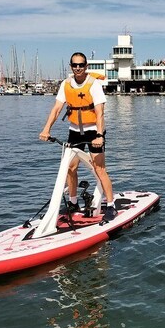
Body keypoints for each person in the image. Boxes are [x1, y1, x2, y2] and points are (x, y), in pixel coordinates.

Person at [39, 52, 116, 221]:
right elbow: (57, 109)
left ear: (86, 66)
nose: (78, 68)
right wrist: (46, 129)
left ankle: (111, 205)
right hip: (74, 131)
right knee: (70, 168)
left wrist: (99, 135)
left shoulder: (93, 84)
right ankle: (73, 203)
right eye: (75, 65)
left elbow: (100, 112)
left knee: (99, 169)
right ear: (71, 67)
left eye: (81, 65)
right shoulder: (66, 85)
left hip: (93, 131)